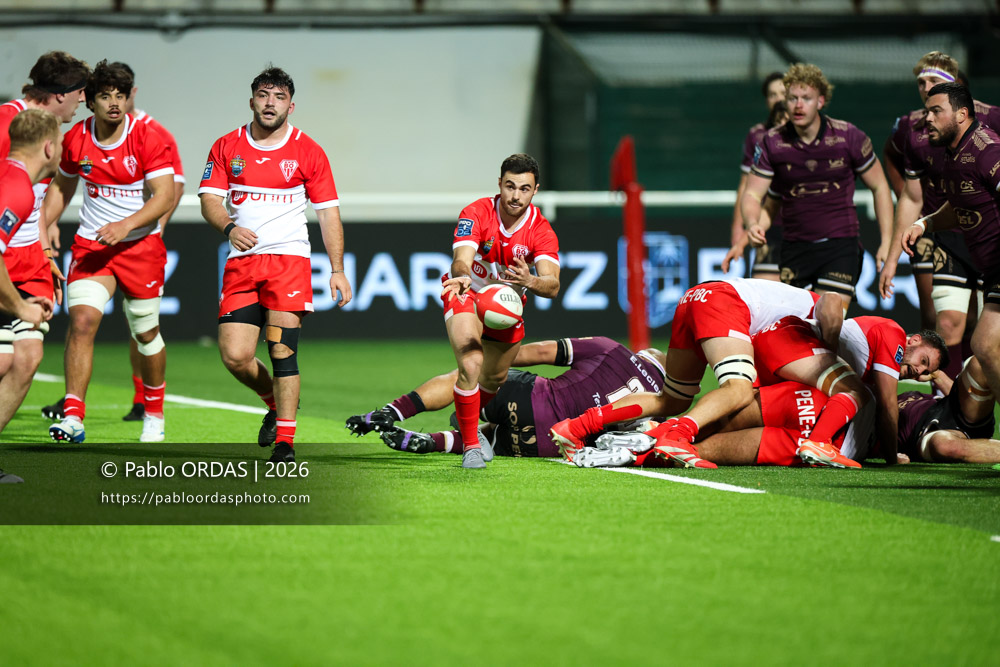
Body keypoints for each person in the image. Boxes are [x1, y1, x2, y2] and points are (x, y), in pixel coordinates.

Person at [199, 65, 351, 463]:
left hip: (289, 261)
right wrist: (230, 228)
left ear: (291, 105)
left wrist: (336, 268)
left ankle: (285, 441)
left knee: (282, 349)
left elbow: (328, 213)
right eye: (264, 95)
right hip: (241, 263)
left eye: (279, 97)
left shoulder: (308, 151)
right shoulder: (226, 146)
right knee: (234, 355)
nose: (270, 103)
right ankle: (273, 401)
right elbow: (209, 201)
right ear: (252, 101)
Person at [549, 278, 843, 469]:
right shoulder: (821, 317)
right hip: (724, 302)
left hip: (695, 297)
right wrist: (834, 350)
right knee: (738, 389)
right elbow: (832, 301)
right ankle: (676, 436)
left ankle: (575, 428)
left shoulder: (791, 324)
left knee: (672, 399)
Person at [41, 61, 186, 423]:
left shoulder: (150, 136)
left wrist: (130, 225)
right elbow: (62, 186)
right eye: (105, 96)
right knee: (83, 321)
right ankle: (73, 415)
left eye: (120, 95)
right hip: (93, 246)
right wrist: (43, 228)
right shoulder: (76, 138)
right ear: (90, 101)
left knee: (144, 331)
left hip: (139, 246)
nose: (114, 103)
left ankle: (152, 413)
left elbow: (167, 193)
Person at [880, 56, 1000, 383]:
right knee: (955, 330)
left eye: (935, 84)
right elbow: (926, 195)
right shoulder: (929, 139)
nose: (926, 90)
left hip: (992, 247)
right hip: (954, 242)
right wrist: (923, 224)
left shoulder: (987, 138)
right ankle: (953, 411)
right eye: (921, 84)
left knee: (985, 340)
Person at [347, 336, 665, 458]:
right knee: (486, 437)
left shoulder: (611, 348)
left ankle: (391, 412)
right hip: (548, 444)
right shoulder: (662, 405)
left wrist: (493, 363)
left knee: (465, 382)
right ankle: (434, 442)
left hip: (529, 398)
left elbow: (540, 352)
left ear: (644, 354)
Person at [440, 153, 560, 469]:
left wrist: (530, 279)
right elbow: (461, 258)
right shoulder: (477, 212)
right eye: (510, 186)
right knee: (472, 360)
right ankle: (470, 446)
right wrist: (462, 273)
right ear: (499, 185)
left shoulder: (541, 230)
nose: (515, 195)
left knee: (493, 379)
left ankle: (465, 418)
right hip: (467, 292)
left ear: (535, 191)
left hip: (506, 308)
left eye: (524, 188)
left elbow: (552, 286)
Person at [742, 63, 894, 310]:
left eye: (806, 98)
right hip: (794, 247)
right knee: (794, 325)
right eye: (792, 98)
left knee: (829, 316)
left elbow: (879, 186)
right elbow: (751, 193)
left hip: (840, 245)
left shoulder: (849, 137)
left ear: (821, 101)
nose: (798, 105)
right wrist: (752, 223)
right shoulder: (771, 142)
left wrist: (887, 241)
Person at [0, 51, 89, 435]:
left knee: (28, 357)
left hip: (27, 256)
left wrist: (44, 250)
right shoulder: (7, 121)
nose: (83, 101)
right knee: (4, 359)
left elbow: (28, 200)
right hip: (5, 256)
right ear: (59, 94)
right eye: (80, 92)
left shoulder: (47, 133)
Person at [0, 110, 60, 479]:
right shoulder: (17, 189)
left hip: (20, 273)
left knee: (18, 357)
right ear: (49, 147)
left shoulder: (15, 179)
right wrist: (20, 305)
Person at [727, 73, 786, 280]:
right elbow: (746, 186)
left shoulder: (812, 136)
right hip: (766, 226)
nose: (778, 99)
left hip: (803, 229)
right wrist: (739, 228)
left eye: (783, 93)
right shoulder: (757, 136)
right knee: (763, 297)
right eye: (772, 95)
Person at [896, 356, 999, 463]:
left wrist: (937, 376)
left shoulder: (907, 395)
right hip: (927, 433)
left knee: (979, 362)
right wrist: (892, 456)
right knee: (942, 446)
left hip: (954, 410)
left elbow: (960, 398)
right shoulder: (879, 419)